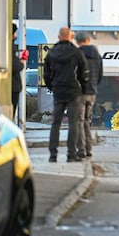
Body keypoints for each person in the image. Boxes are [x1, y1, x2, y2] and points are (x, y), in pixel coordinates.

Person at [43, 26, 89, 163]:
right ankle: (71, 154)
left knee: (55, 124)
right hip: (74, 92)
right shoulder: (76, 53)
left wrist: (53, 87)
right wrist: (84, 89)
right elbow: (83, 74)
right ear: (71, 37)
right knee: (73, 124)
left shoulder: (51, 53)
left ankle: (53, 154)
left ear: (59, 37)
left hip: (58, 91)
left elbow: (46, 74)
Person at [75, 31, 103, 158]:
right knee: (87, 120)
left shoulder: (77, 54)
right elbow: (100, 75)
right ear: (88, 40)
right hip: (92, 92)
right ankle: (89, 149)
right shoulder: (97, 55)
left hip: (80, 92)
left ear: (77, 41)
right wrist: (94, 86)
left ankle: (82, 150)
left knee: (79, 121)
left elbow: (74, 74)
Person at [11, 23, 27, 121]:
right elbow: (15, 65)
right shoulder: (10, 47)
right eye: (15, 33)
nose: (16, 36)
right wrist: (21, 62)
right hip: (13, 86)